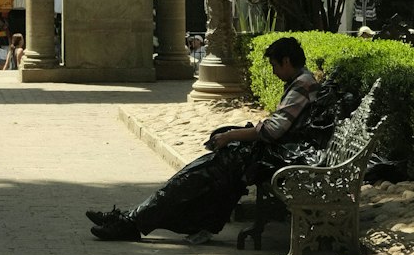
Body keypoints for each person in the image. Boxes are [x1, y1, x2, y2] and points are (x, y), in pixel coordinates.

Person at [86, 37, 323, 242]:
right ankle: (130, 218)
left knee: (190, 181)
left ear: (286, 62)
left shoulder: (302, 84)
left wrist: (231, 135)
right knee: (191, 178)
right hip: (266, 154)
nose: (273, 71)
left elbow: (272, 131)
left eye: (274, 65)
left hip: (269, 158)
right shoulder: (301, 81)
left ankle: (130, 221)